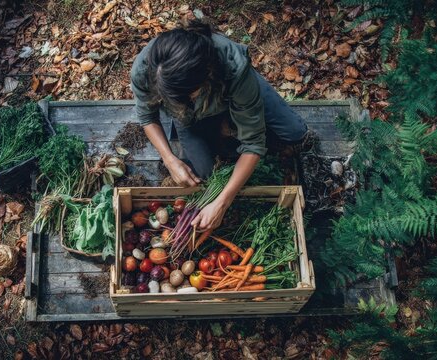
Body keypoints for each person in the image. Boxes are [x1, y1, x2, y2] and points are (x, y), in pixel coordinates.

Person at [130, 20, 308, 231]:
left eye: (187, 94)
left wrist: (222, 202)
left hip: (232, 90)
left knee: (295, 132)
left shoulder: (233, 66)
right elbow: (147, 117)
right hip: (187, 117)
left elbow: (253, 143)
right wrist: (169, 159)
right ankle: (212, 127)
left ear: (205, 77)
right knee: (204, 173)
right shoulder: (145, 70)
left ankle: (227, 119)